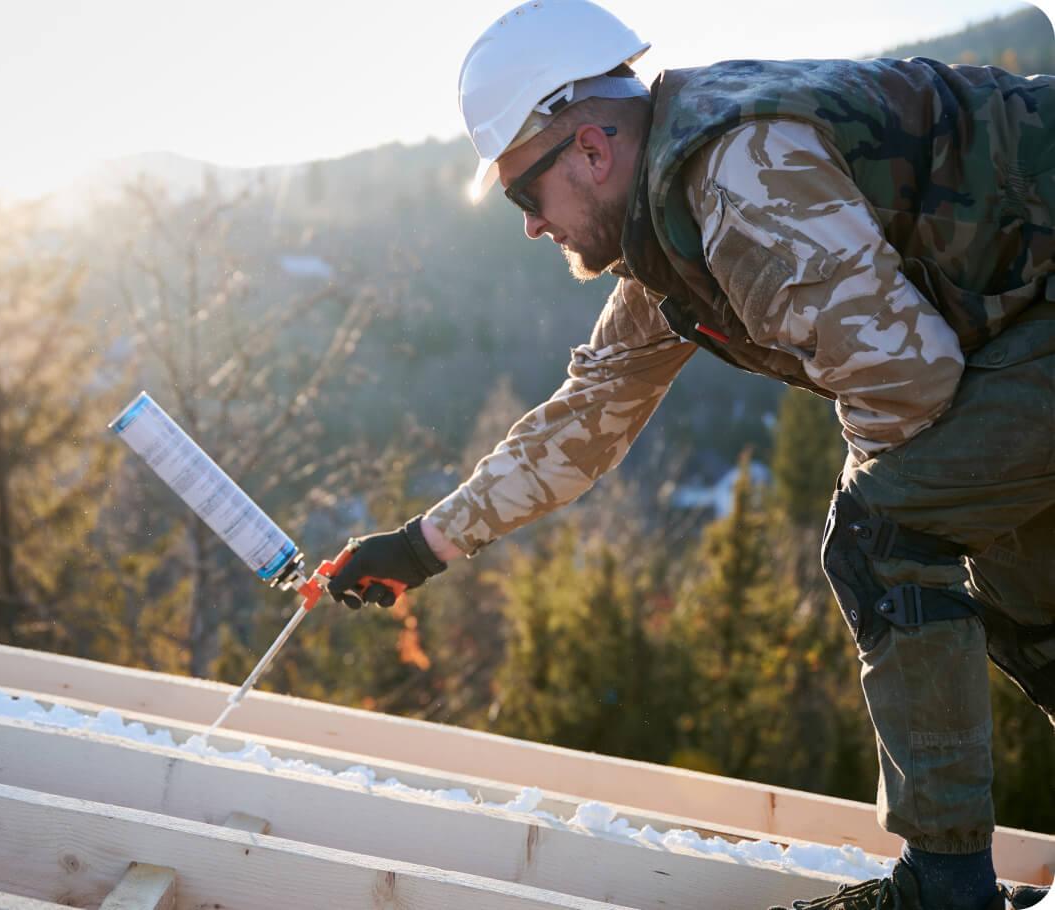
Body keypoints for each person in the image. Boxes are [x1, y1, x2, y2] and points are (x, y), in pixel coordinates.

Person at [325, 1, 1055, 908]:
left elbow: (908, 386)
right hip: (1023, 327)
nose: (530, 226)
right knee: (1017, 581)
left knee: (885, 536)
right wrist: (423, 544)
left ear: (591, 149)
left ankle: (943, 891)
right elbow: (592, 410)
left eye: (523, 193)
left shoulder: (742, 184)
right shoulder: (671, 218)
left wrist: (896, 523)